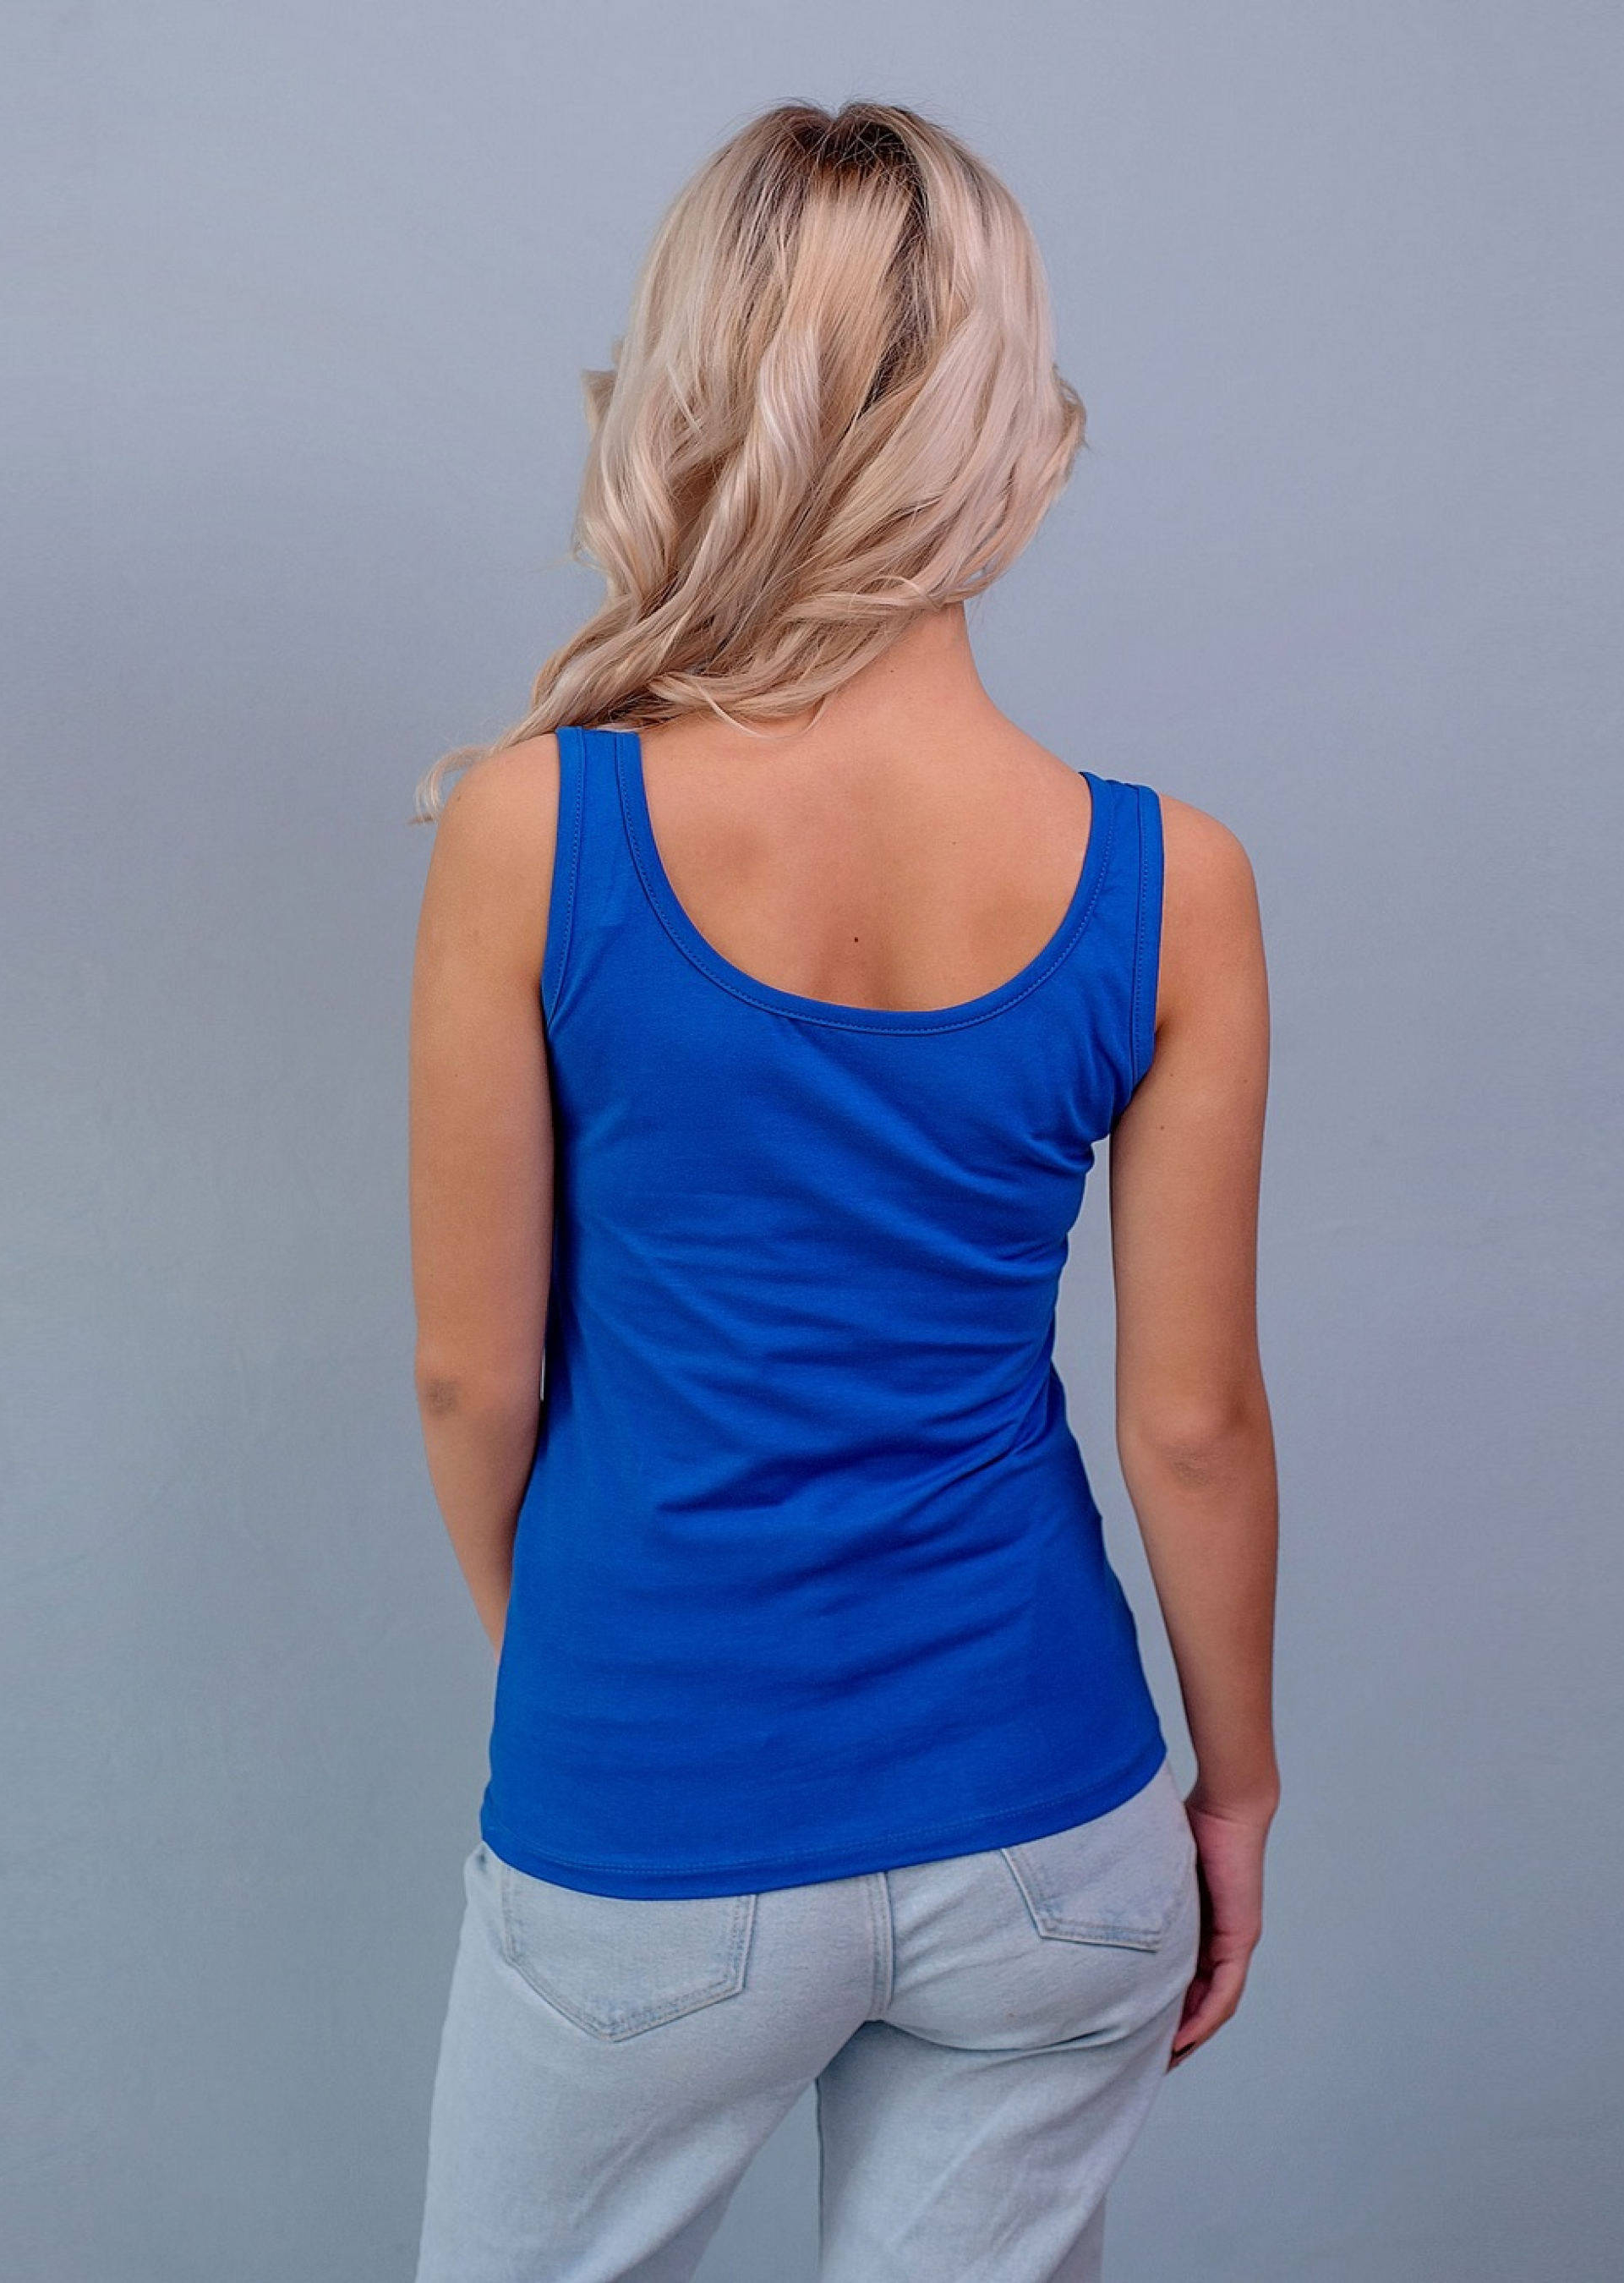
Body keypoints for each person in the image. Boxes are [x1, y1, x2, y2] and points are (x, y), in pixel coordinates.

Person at [406, 97, 1278, 2283]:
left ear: (697, 388)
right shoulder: (1170, 882)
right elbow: (1191, 1426)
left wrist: (586, 1662)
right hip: (1047, 1822)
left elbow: (467, 1380)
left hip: (652, 1789)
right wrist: (1236, 1787)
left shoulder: (536, 829)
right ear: (1010, 420)